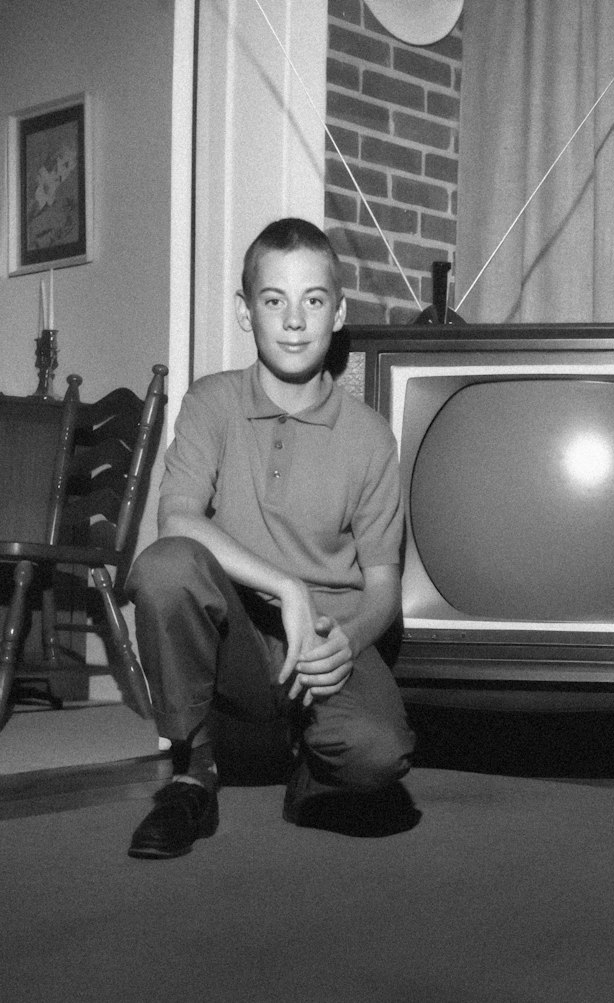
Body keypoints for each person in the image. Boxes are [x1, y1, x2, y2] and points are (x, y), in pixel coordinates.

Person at [125, 217, 415, 859]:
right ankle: (191, 775)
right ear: (244, 312)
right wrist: (285, 585)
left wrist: (351, 639)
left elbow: (385, 583)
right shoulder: (211, 403)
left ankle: (310, 772)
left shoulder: (369, 436)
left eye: (313, 300)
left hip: (322, 643)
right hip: (238, 649)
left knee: (379, 759)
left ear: (337, 314)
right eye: (273, 300)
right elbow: (177, 520)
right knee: (165, 566)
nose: (293, 320)